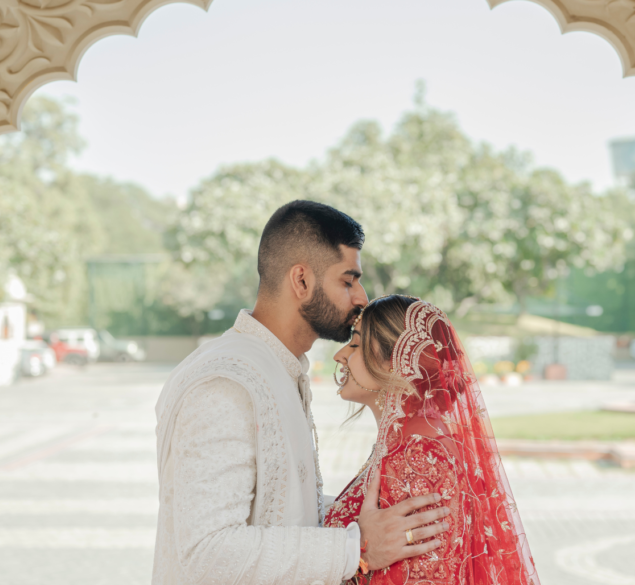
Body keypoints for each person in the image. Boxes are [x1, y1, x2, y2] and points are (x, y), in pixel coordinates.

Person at [153, 201, 450, 584]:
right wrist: (355, 548)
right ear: (302, 281)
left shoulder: (273, 367)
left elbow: (279, 510)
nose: (361, 298)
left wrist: (367, 516)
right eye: (347, 280)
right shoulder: (226, 383)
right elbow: (207, 553)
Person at [326, 295, 540, 584]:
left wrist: (358, 559)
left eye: (354, 343)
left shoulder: (418, 456)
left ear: (396, 360)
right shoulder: (410, 441)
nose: (340, 356)